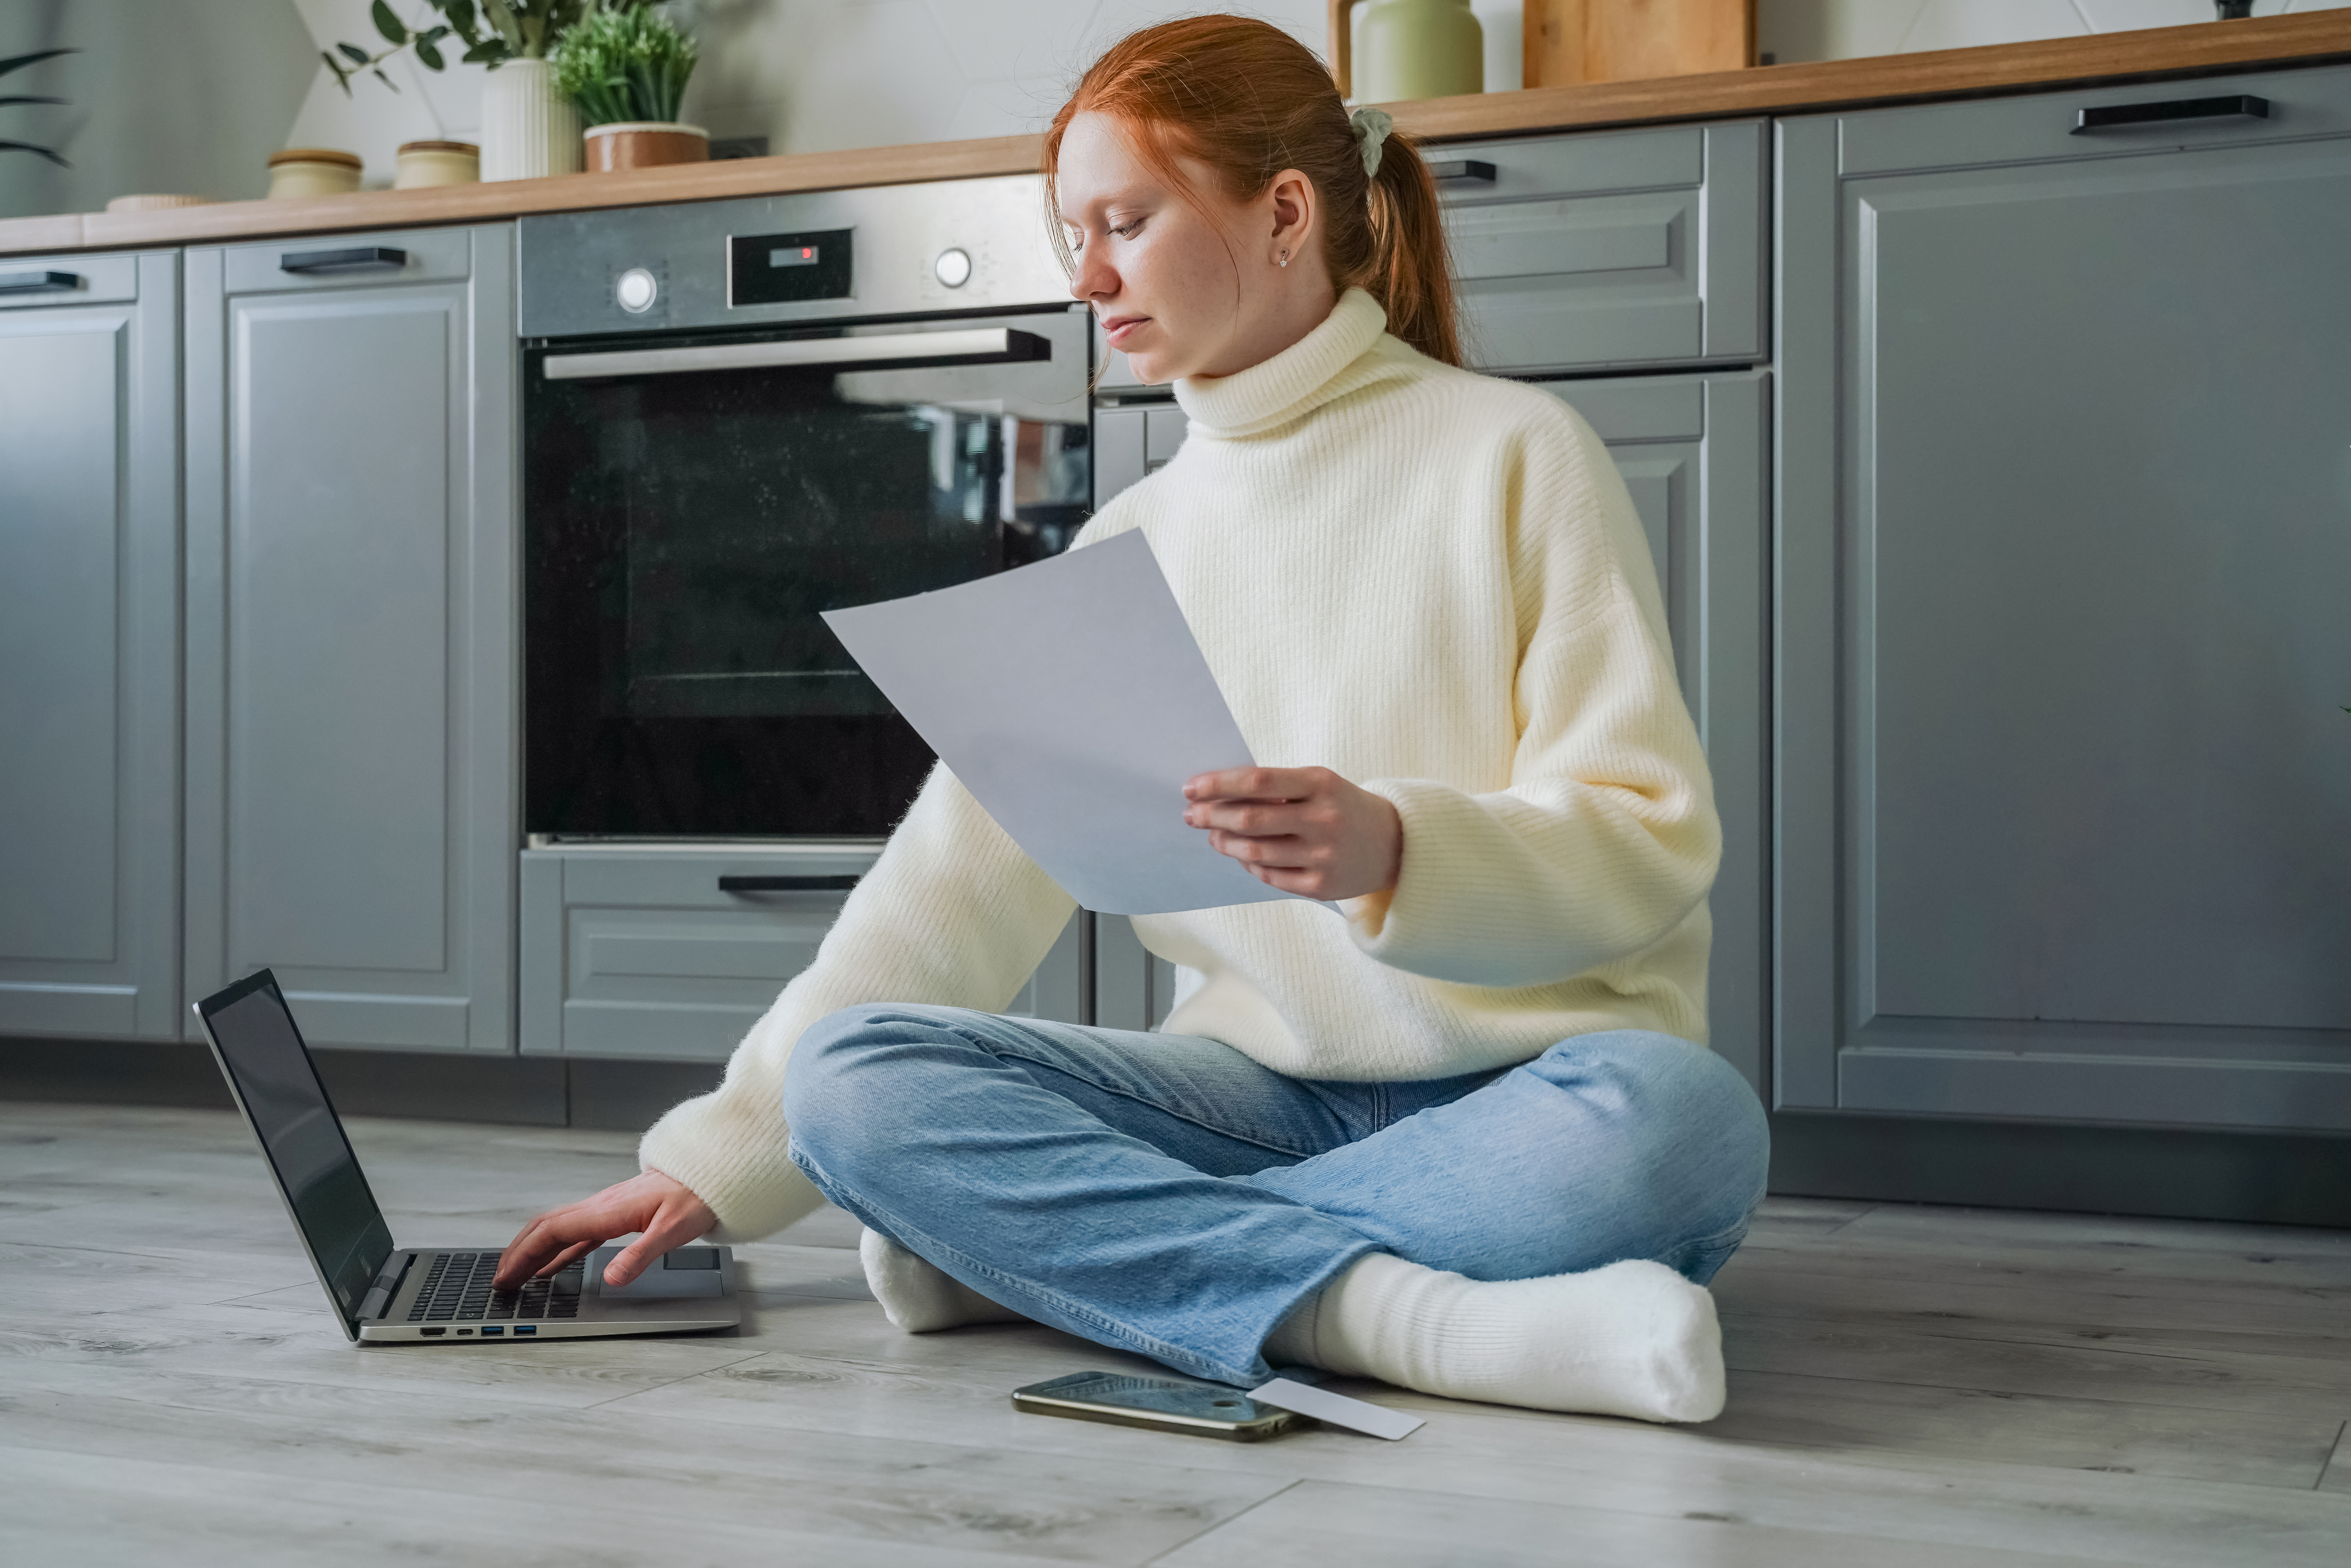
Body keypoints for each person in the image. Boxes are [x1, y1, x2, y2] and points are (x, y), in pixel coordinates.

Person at [496, 14, 1768, 1424]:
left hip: (1527, 1093)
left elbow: (1644, 844)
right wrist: (715, 1160)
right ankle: (1406, 1320)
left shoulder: (1515, 456)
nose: (1089, 276)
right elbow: (944, 900)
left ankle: (1060, 1261)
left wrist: (1397, 850)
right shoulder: (1131, 538)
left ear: (1284, 213)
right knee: (854, 1084)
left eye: (1127, 221)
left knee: (1685, 1126)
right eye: (1070, 234)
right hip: (1243, 1099)